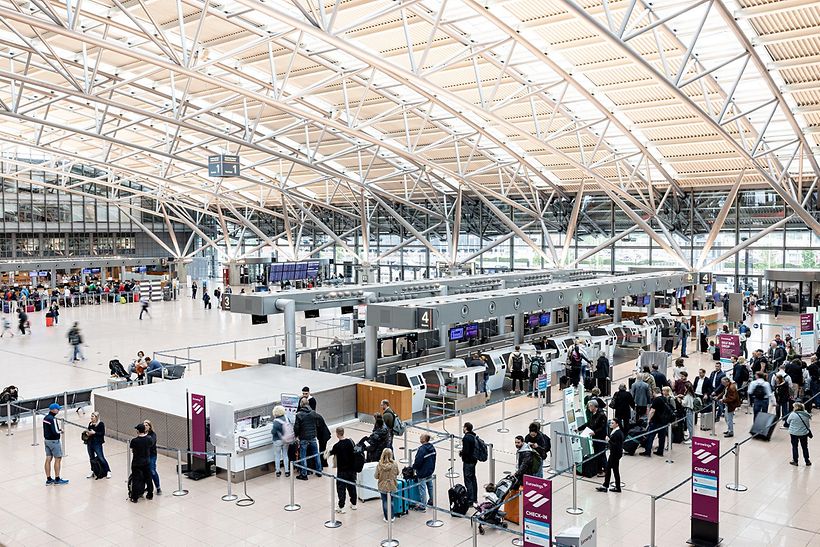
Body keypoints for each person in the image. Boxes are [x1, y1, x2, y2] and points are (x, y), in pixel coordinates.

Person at [329, 427, 357, 513]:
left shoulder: (337, 446)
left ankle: (341, 506)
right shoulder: (350, 442)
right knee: (352, 486)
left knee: (341, 488)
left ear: (337, 434)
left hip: (342, 471)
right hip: (351, 470)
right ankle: (354, 504)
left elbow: (331, 453)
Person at [293, 397, 322, 479]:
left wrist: (296, 435)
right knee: (316, 454)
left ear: (301, 404)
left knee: (303, 456)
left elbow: (296, 427)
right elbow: (317, 423)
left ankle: (304, 474)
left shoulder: (299, 415)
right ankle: (319, 471)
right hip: (313, 436)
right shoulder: (313, 413)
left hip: (303, 437)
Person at [641, 388, 673, 457]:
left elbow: (652, 411)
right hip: (663, 421)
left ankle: (648, 451)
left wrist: (649, 419)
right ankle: (660, 451)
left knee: (650, 436)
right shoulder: (664, 398)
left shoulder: (656, 400)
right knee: (662, 437)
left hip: (656, 421)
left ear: (654, 392)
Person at [596, 418, 624, 493]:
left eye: (612, 423)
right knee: (611, 470)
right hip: (615, 454)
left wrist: (609, 440)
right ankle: (610, 486)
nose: (610, 424)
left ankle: (607, 486)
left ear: (617, 424)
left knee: (612, 470)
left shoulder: (617, 433)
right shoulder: (616, 431)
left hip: (615, 454)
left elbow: (616, 445)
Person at [43, 403, 68, 486]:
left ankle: (49, 479)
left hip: (47, 441)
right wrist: (61, 431)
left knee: (48, 459)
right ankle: (57, 479)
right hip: (54, 441)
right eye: (57, 409)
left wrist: (57, 429)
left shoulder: (45, 418)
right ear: (53, 410)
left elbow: (50, 429)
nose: (58, 410)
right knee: (58, 459)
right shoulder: (52, 419)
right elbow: (55, 431)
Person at [580, 400, 607, 476]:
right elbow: (588, 423)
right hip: (595, 437)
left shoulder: (602, 415)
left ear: (594, 406)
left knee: (601, 454)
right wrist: (579, 428)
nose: (589, 408)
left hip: (600, 438)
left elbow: (602, 427)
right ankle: (599, 470)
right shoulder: (593, 414)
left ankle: (606, 470)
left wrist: (595, 432)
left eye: (590, 406)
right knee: (597, 454)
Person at [129, 423, 153, 502]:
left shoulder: (134, 441)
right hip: (146, 461)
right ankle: (150, 494)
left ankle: (134, 497)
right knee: (148, 478)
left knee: (136, 479)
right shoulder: (149, 439)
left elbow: (133, 450)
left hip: (137, 462)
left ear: (138, 431)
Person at [374, 448, 399, 522]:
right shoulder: (394, 464)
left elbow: (376, 476)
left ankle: (386, 517)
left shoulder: (380, 465)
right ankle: (392, 516)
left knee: (384, 501)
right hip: (392, 485)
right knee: (391, 501)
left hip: (382, 485)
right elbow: (397, 472)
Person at [411, 433, 436, 509]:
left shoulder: (421, 449)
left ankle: (423, 505)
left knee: (422, 488)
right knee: (430, 485)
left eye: (421, 437)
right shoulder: (432, 447)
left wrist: (414, 468)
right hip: (430, 470)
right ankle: (432, 500)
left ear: (424, 439)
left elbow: (418, 461)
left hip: (422, 471)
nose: (420, 438)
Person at [85, 411, 111, 479]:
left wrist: (94, 433)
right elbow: (88, 430)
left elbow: (102, 433)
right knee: (91, 457)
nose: (91, 418)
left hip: (97, 443)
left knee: (101, 457)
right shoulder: (90, 424)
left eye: (93, 416)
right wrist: (88, 433)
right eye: (91, 416)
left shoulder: (101, 424)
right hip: (90, 442)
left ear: (96, 417)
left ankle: (108, 470)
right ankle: (93, 470)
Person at [787, 402, 812, 466]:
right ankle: (807, 461)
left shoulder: (793, 414)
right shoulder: (806, 414)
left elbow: (787, 421)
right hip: (803, 433)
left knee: (795, 447)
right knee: (805, 447)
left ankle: (795, 461)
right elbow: (808, 425)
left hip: (794, 433)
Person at [459, 422, 479, 504]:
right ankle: (474, 498)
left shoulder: (466, 438)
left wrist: (461, 453)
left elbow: (466, 451)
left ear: (466, 428)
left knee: (468, 480)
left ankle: (470, 499)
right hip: (474, 460)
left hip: (468, 461)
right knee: (473, 479)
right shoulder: (473, 436)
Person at [270, 406, 292, 477]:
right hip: (286, 440)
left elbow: (273, 432)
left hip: (277, 441)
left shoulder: (276, 422)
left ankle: (278, 471)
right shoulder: (286, 418)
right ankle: (287, 471)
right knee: (285, 455)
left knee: (277, 455)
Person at [142, 420, 161, 494]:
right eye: (144, 425)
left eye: (147, 425)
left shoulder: (153, 435)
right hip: (144, 455)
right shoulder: (142, 433)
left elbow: (151, 443)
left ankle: (158, 487)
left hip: (152, 455)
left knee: (152, 470)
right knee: (145, 471)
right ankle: (148, 486)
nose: (145, 426)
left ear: (150, 426)